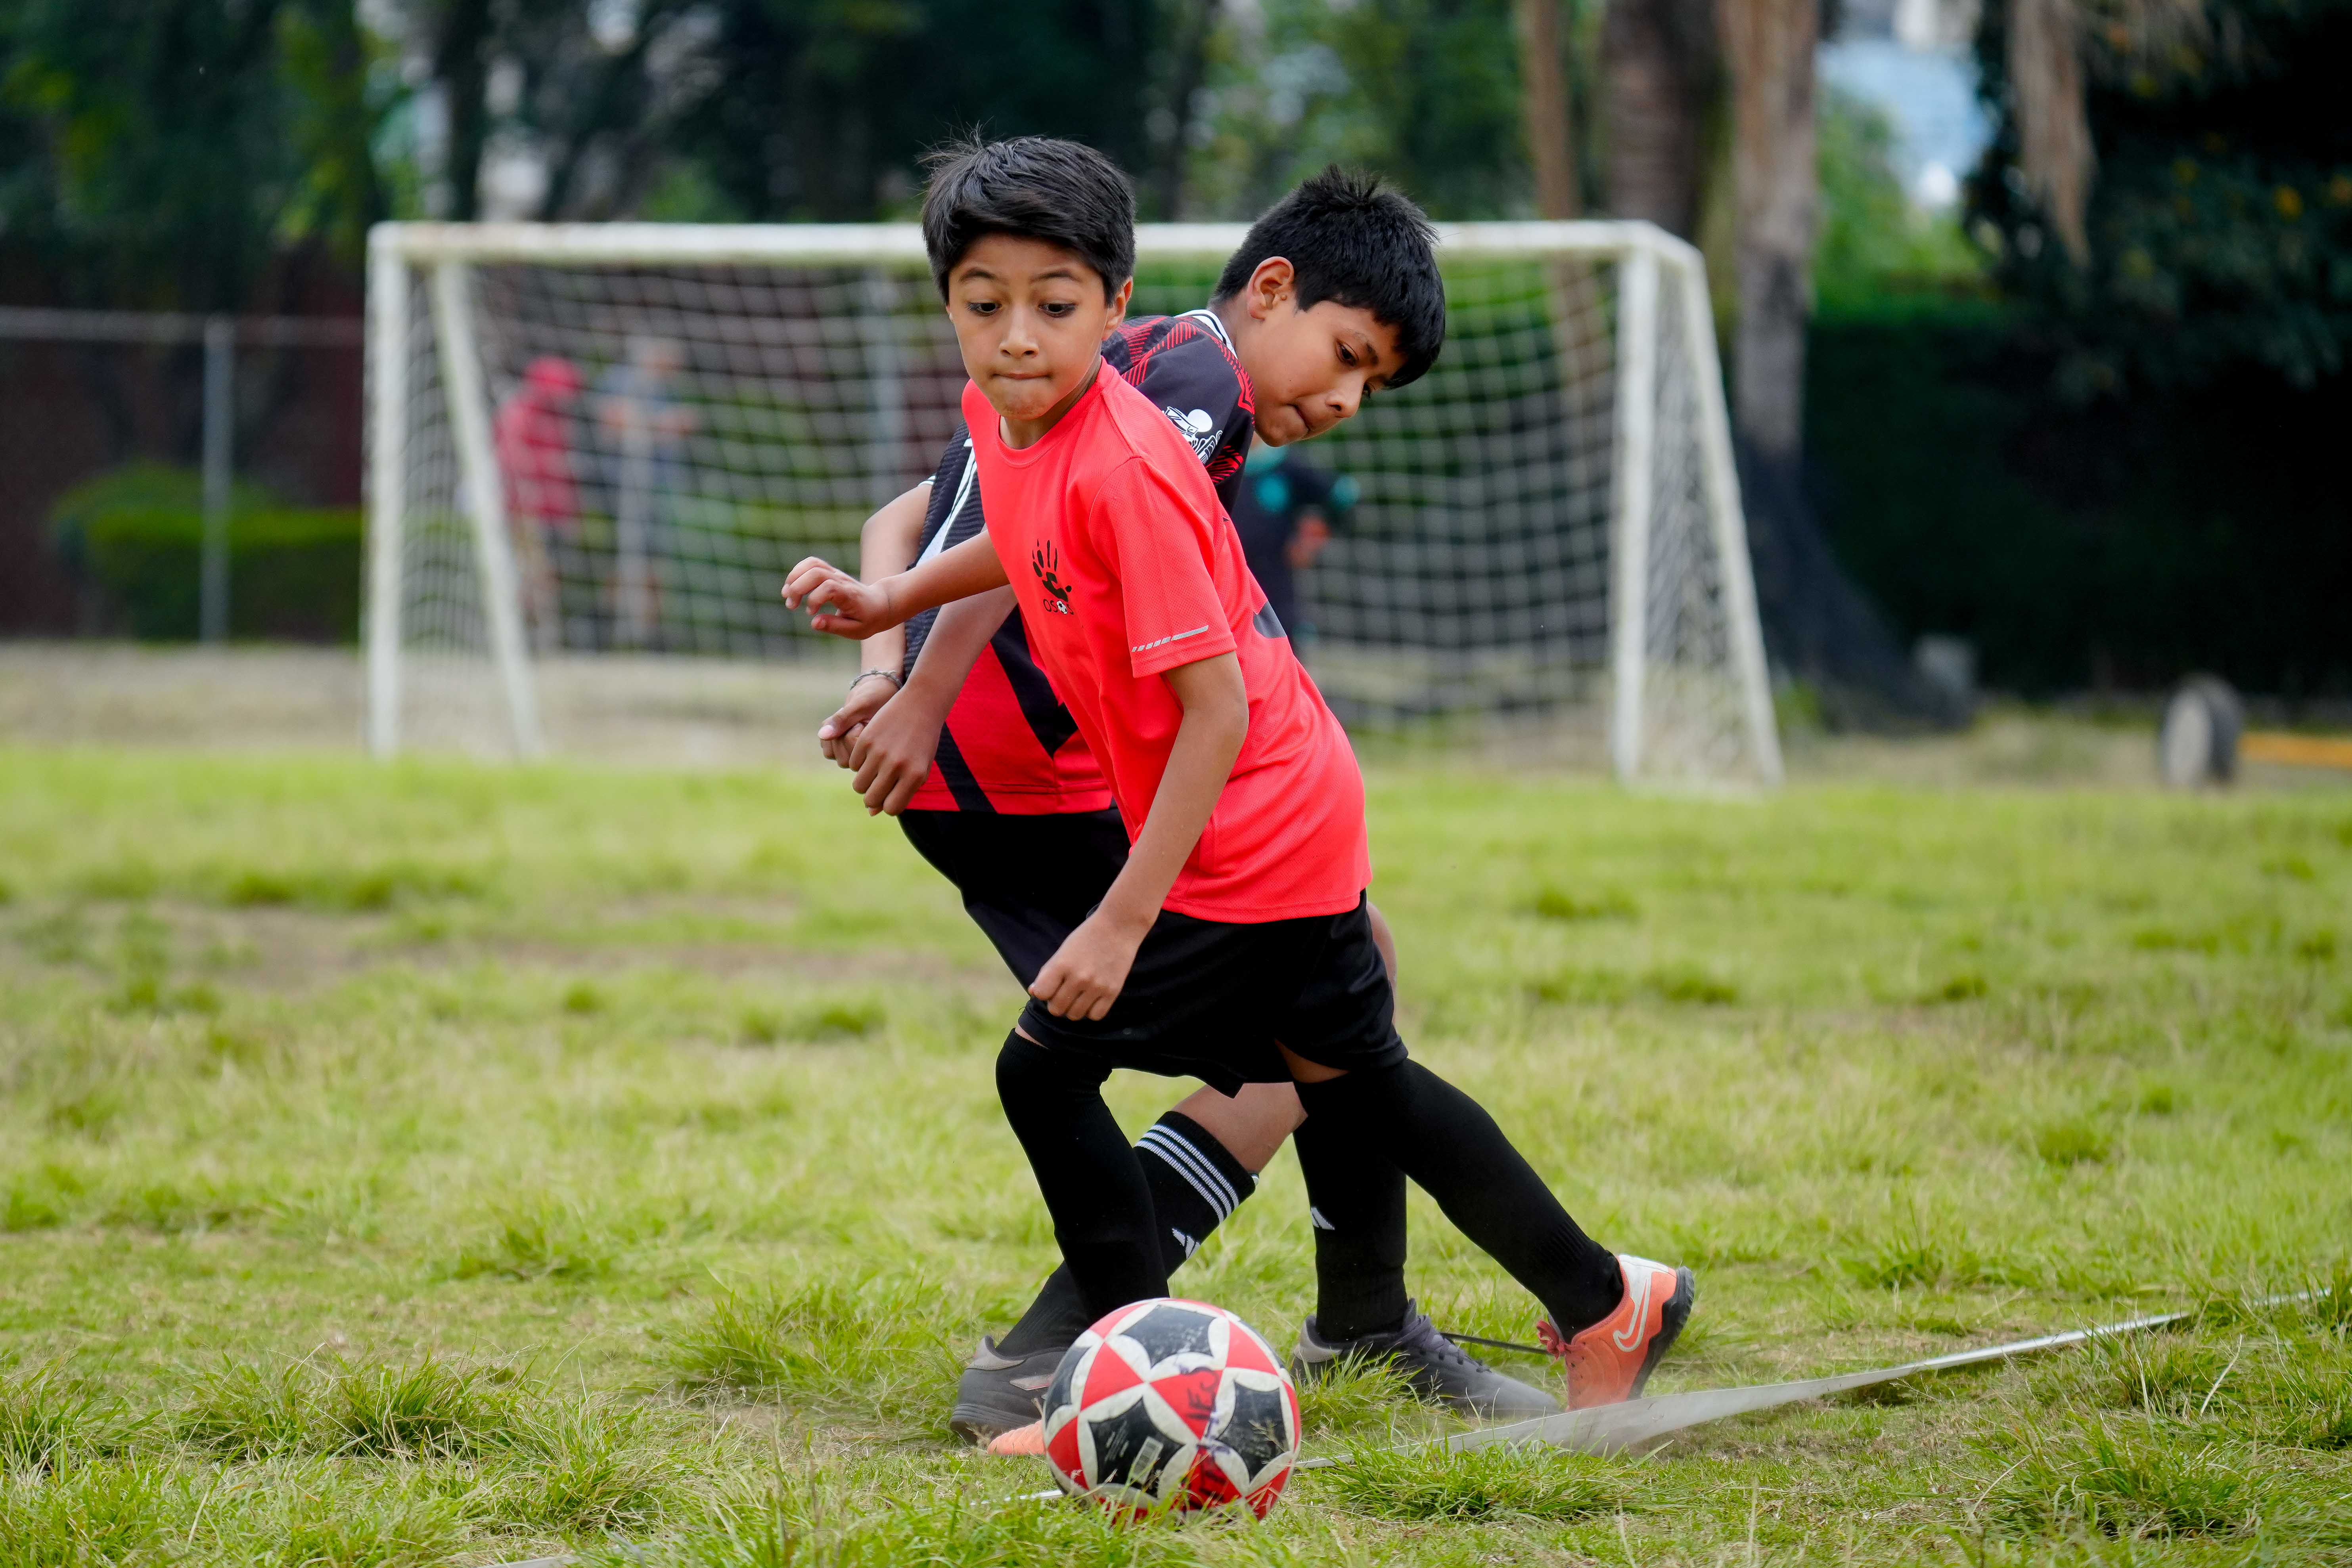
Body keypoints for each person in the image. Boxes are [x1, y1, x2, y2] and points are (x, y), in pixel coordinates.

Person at [783, 135, 1694, 1454]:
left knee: (1135, 1065)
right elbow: (998, 532)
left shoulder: (1151, 402)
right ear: (1268, 290)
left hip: (1225, 802)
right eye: (1347, 357)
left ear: (1108, 301)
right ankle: (1554, 1303)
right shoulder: (1146, 388)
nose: (1346, 400)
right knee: (1329, 1071)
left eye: (1049, 302)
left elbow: (1164, 660)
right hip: (1137, 792)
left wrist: (908, 673)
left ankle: (1122, 1363)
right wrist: (900, 646)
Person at [1228, 434, 1355, 643]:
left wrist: (1312, 539)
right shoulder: (1217, 464)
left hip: (1275, 581)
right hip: (1226, 577)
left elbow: (1343, 495)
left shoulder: (1288, 466)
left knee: (1280, 639)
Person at [492, 355, 582, 650]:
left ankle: (544, 638)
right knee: (529, 575)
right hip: (524, 510)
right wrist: (550, 467)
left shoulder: (561, 419)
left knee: (549, 577)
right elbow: (509, 459)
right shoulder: (518, 412)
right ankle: (522, 638)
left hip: (556, 513)